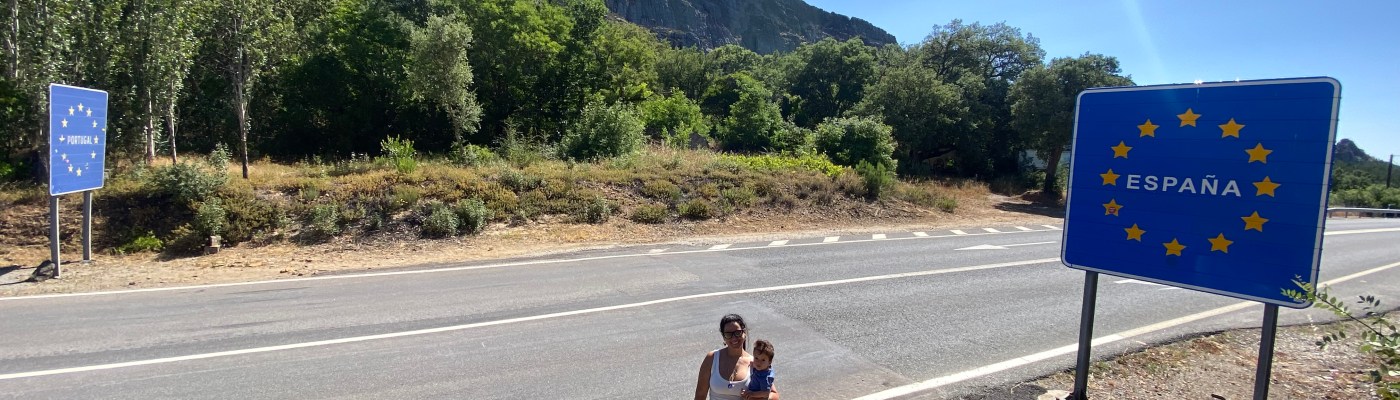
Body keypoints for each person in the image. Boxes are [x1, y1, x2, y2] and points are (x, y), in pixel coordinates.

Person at [694, 314, 780, 400]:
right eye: (728, 334)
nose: (734, 338)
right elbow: (700, 396)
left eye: (737, 333)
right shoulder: (712, 358)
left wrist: (758, 397)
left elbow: (774, 395)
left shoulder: (755, 363)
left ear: (744, 333)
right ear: (724, 337)